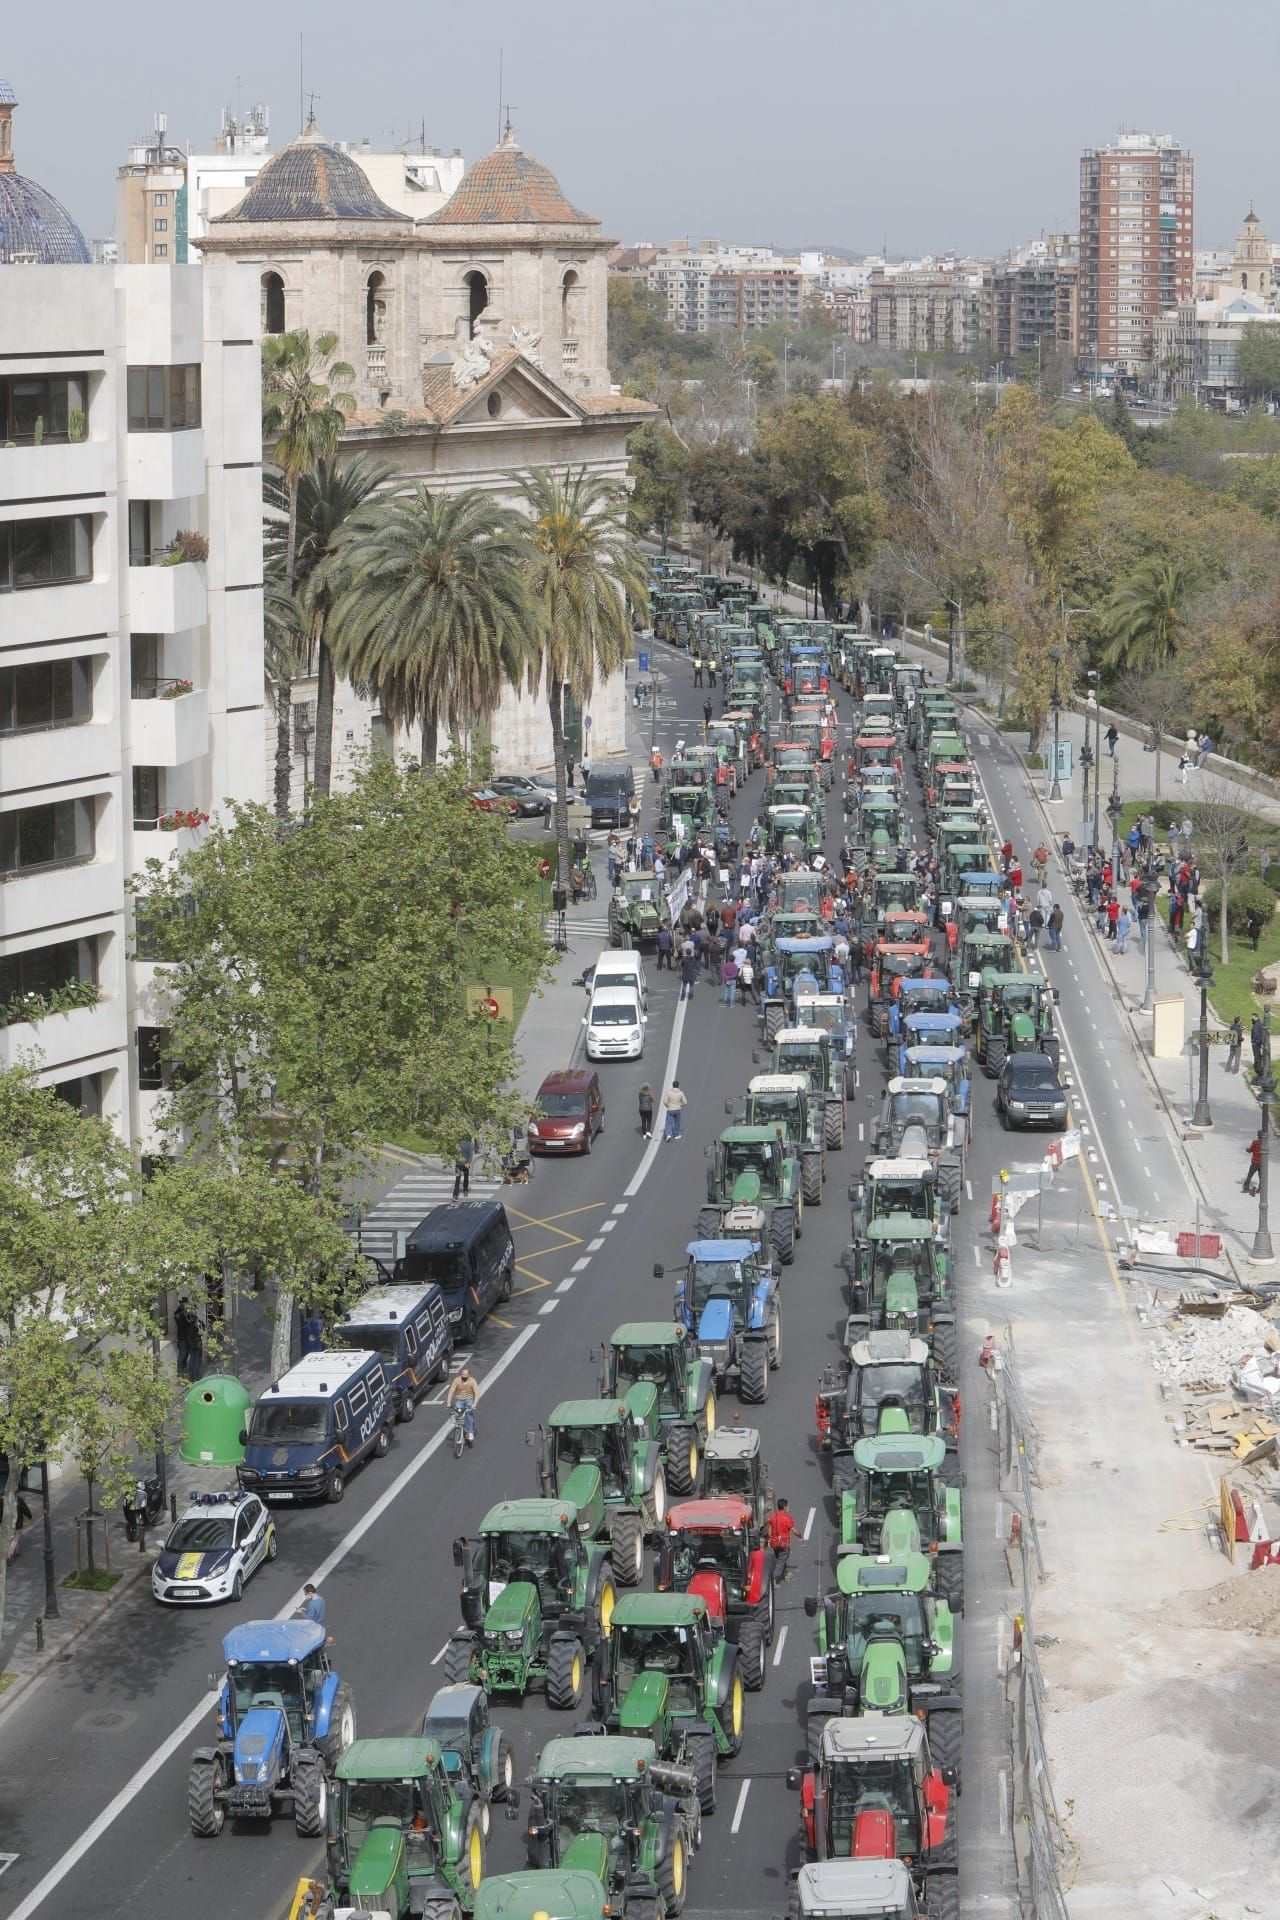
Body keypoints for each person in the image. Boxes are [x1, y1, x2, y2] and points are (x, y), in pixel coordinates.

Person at [445, 1365, 478, 1445]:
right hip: (459, 1399)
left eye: (465, 1375)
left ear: (469, 1375)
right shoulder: (457, 1380)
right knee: (457, 1413)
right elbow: (451, 1391)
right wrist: (448, 1402)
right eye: (462, 1374)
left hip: (468, 1399)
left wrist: (474, 1404)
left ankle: (470, 1432)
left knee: (468, 1413)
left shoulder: (472, 1381)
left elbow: (476, 1393)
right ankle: (459, 1427)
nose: (464, 1376)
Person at [769, 1497, 797, 1583]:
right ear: (785, 1507)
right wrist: (800, 1535)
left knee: (779, 1558)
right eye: (787, 1506)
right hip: (783, 1544)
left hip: (774, 1543)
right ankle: (773, 1579)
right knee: (782, 1558)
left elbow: (770, 1529)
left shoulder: (773, 1516)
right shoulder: (787, 1518)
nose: (788, 1507)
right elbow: (794, 1530)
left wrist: (770, 1540)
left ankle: (784, 1574)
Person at [453, 1136, 475, 1200]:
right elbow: (454, 1153)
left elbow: (471, 1155)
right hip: (458, 1165)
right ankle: (455, 1194)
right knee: (457, 1179)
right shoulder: (457, 1143)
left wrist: (468, 1163)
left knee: (466, 1178)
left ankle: (465, 1190)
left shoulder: (470, 1144)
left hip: (465, 1165)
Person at [1251, 1012, 1270, 1078]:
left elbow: (1256, 1034)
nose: (1252, 1018)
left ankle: (1257, 1069)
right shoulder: (1259, 1023)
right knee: (1258, 1055)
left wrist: (1253, 1041)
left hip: (1256, 1042)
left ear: (1256, 1017)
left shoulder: (1256, 1024)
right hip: (1258, 1042)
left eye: (1253, 1017)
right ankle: (1257, 1066)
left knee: (1256, 1055)